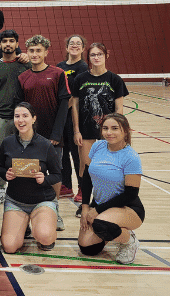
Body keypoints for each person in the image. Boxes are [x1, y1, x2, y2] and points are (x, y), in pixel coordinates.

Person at [15, 35, 70, 232]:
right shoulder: (23, 77)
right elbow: (21, 108)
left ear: (46, 52)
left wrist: (56, 133)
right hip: (29, 136)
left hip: (53, 134)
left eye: (39, 50)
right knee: (29, 172)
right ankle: (28, 212)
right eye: (32, 51)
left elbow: (65, 104)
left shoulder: (57, 73)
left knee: (54, 174)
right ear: (27, 53)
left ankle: (55, 211)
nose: (35, 54)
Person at [77, 114, 143, 264]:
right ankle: (112, 230)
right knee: (88, 248)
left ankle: (129, 241)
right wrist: (86, 207)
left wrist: (98, 211)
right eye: (105, 128)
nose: (109, 133)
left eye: (115, 128)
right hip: (101, 205)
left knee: (101, 224)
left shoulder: (131, 157)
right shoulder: (98, 146)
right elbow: (87, 177)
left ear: (125, 131)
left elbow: (131, 194)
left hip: (127, 206)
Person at [71, 42, 128, 217]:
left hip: (108, 132)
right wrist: (76, 130)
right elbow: (74, 106)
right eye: (93, 55)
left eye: (99, 54)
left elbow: (119, 110)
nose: (96, 58)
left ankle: (106, 201)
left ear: (106, 56)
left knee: (107, 166)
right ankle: (85, 202)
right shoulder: (80, 79)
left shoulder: (115, 79)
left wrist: (118, 132)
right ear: (88, 58)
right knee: (86, 166)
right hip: (86, 129)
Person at [0, 102, 61, 253]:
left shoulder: (45, 145)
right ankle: (24, 224)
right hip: (16, 201)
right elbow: (0, 167)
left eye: (25, 116)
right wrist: (5, 175)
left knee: (44, 237)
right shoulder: (7, 143)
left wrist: (44, 179)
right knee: (9, 246)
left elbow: (57, 175)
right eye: (17, 116)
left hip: (42, 200)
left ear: (33, 119)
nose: (21, 120)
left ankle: (46, 221)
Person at [0, 30, 31, 204]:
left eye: (12, 41)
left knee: (21, 152)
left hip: (20, 118)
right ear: (0, 45)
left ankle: (18, 188)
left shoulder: (25, 65)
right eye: (5, 41)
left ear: (17, 44)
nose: (8, 44)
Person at [56, 35, 89, 200]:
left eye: (78, 43)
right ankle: (66, 186)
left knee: (78, 154)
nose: (74, 45)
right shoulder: (59, 66)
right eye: (71, 43)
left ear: (83, 49)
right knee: (62, 153)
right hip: (61, 117)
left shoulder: (83, 68)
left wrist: (62, 108)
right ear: (67, 47)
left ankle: (83, 188)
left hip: (76, 117)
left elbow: (75, 96)